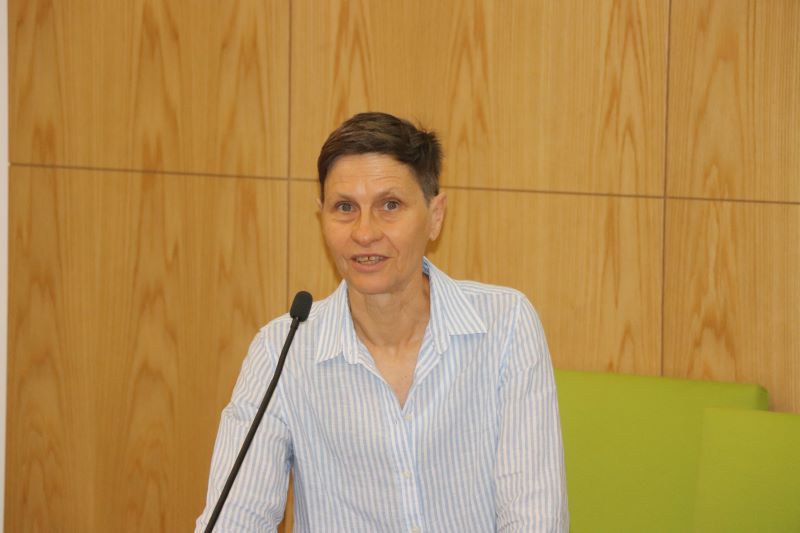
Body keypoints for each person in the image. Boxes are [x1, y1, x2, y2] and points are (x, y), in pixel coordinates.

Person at [196, 112, 569, 532]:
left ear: (435, 215)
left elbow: (533, 518)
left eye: (390, 205)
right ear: (321, 217)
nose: (364, 232)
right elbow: (235, 519)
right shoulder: (281, 350)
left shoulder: (506, 326)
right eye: (345, 207)